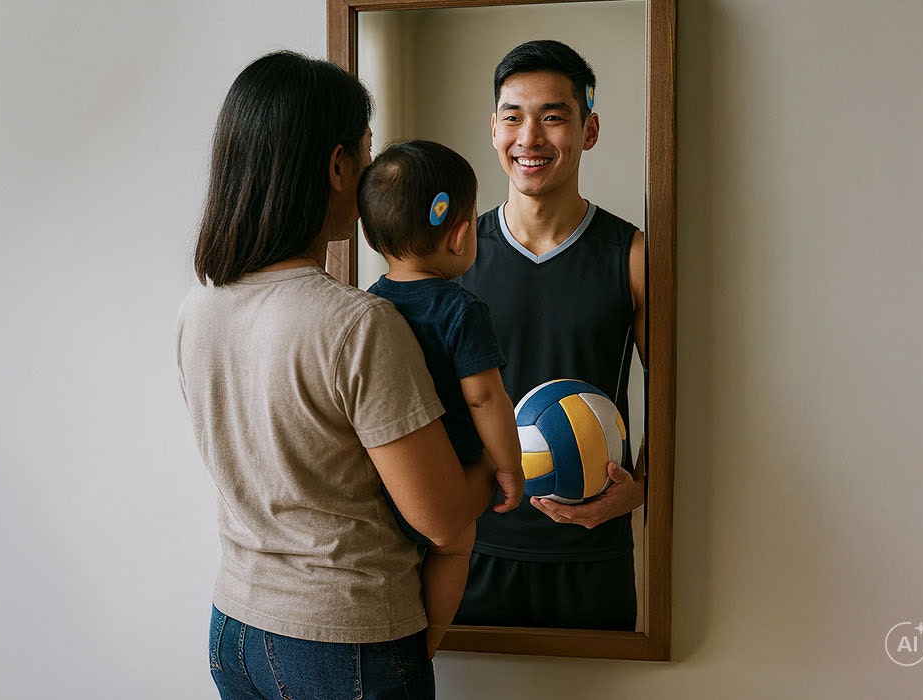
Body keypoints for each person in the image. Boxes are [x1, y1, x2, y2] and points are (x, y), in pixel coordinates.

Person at [178, 52, 507, 699]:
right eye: (364, 154)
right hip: (342, 641)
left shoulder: (199, 307)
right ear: (336, 168)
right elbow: (441, 521)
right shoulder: (357, 324)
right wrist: (499, 472)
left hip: (235, 627)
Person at [453, 40, 649, 631]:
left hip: (590, 549)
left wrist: (641, 489)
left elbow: (678, 396)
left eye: (553, 117)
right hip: (474, 549)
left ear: (589, 130)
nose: (530, 138)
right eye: (513, 117)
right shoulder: (455, 256)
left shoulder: (633, 254)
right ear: (493, 130)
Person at [356, 139, 526, 654]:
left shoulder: (368, 306)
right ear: (459, 235)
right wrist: (510, 467)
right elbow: (485, 400)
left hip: (384, 478)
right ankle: (424, 645)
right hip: (444, 479)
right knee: (454, 548)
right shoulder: (461, 311)